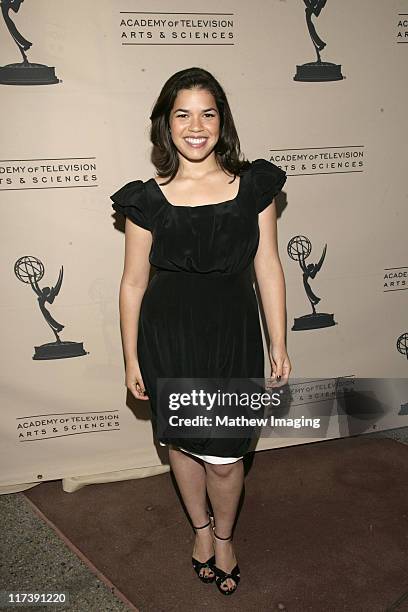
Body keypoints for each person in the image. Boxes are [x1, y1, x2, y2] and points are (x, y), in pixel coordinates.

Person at [110, 67, 291, 596]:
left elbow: (269, 268)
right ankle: (201, 530)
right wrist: (131, 358)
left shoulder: (253, 186)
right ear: (166, 125)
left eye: (207, 113)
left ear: (222, 121)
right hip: (168, 337)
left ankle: (227, 535)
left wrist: (279, 340)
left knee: (227, 455)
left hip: (232, 336)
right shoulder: (147, 198)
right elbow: (132, 283)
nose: (196, 126)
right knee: (184, 447)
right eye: (182, 114)